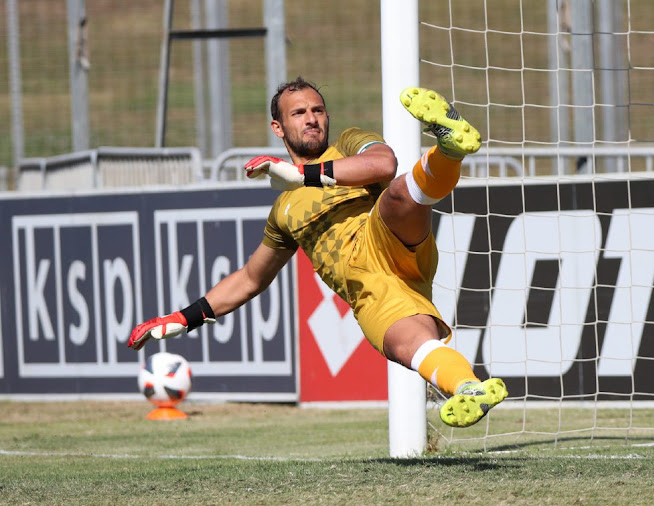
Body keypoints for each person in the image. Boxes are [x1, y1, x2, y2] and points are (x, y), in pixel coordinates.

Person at [127, 77, 508, 428]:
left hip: (382, 237)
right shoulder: (283, 211)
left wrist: (302, 175)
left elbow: (383, 163)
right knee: (410, 346)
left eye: (317, 110)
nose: (312, 119)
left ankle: (449, 149)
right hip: (369, 292)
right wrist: (184, 317)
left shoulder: (348, 143)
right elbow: (250, 278)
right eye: (299, 113)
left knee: (396, 195)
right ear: (278, 128)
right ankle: (469, 388)